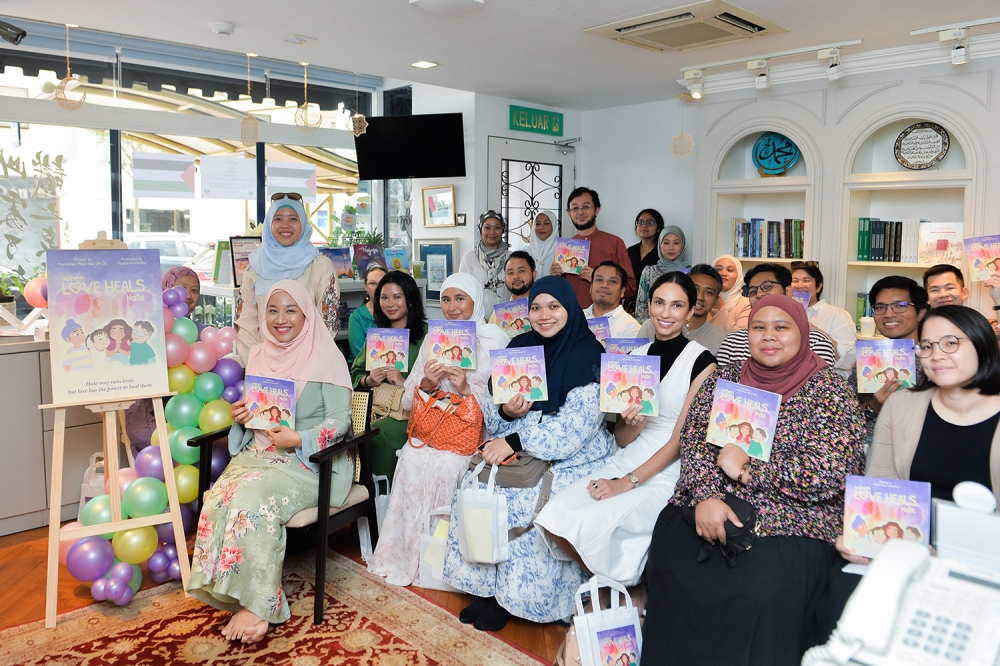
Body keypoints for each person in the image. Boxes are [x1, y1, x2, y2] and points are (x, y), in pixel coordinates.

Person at [642, 294, 866, 665]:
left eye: (781, 327)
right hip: (710, 502)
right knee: (675, 557)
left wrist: (750, 470)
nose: (768, 336)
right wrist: (706, 497)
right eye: (758, 328)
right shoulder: (726, 379)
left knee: (763, 586)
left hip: (791, 516)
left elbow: (831, 471)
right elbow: (695, 440)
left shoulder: (829, 391)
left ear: (803, 332)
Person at [443, 276, 615, 630]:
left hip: (573, 453)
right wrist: (509, 413)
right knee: (473, 481)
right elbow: (492, 412)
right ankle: (486, 588)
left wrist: (516, 440)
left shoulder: (589, 353)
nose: (543, 315)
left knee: (524, 497)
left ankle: (513, 598)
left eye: (554, 306)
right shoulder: (520, 346)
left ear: (569, 309)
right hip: (520, 442)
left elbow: (575, 430)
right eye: (536, 307)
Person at [187, 279, 354, 645]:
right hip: (259, 453)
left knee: (251, 503)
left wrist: (301, 438)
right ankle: (232, 589)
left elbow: (341, 421)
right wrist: (242, 414)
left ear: (306, 313)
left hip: (310, 462)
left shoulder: (327, 356)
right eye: (273, 310)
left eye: (290, 309)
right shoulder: (260, 353)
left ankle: (260, 604)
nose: (281, 319)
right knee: (218, 498)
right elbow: (258, 408)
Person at [536, 272, 716, 594]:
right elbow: (621, 437)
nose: (666, 312)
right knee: (556, 515)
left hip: (668, 468)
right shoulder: (635, 358)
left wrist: (626, 482)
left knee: (599, 521)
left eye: (677, 305)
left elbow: (679, 441)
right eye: (659, 302)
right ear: (649, 306)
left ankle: (625, 594)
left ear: (690, 312)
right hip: (629, 453)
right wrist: (633, 422)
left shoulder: (702, 362)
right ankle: (624, 591)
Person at [367, 273, 509, 587]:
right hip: (433, 431)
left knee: (450, 466)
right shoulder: (435, 339)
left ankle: (446, 566)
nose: (453, 307)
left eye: (460, 299)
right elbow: (407, 400)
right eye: (446, 299)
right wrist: (428, 383)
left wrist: (466, 389)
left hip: (472, 435)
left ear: (476, 301)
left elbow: (504, 405)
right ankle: (405, 558)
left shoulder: (494, 339)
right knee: (411, 459)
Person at [866, 305, 1000, 506]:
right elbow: (880, 487)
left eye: (950, 343)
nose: (936, 355)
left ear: (983, 345)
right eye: (927, 346)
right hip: (908, 535)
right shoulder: (900, 405)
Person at [234, 193, 340, 364]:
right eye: (278, 219)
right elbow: (244, 323)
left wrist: (304, 364)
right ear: (269, 224)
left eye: (292, 219)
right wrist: (257, 362)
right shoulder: (254, 268)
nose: (285, 225)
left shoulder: (320, 266)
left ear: (303, 224)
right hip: (265, 366)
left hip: (308, 365)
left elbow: (328, 321)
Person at [349, 271, 427, 482]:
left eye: (397, 297)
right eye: (384, 297)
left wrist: (405, 382)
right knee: (352, 434)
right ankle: (365, 496)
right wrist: (369, 380)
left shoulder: (427, 336)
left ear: (410, 300)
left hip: (412, 414)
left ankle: (385, 497)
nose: (390, 303)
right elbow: (355, 373)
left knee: (377, 435)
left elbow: (439, 381)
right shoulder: (378, 336)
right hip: (375, 408)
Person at [716, 263, 836, 368]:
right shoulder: (732, 342)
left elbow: (819, 385)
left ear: (789, 291)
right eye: (752, 291)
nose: (759, 294)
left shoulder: (817, 341)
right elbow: (720, 387)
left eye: (767, 287)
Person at [855, 276, 928, 440]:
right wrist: (873, 407)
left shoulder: (934, 358)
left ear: (921, 312)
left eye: (900, 306)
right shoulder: (868, 358)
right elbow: (846, 417)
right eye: (880, 307)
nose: (888, 314)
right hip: (870, 447)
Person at [550, 187, 635, 309]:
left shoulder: (615, 243)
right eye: (574, 208)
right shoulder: (565, 248)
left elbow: (630, 287)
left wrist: (598, 279)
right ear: (569, 213)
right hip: (572, 316)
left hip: (604, 319)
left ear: (597, 210)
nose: (580, 212)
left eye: (586, 206)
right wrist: (555, 277)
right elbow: (559, 291)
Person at [792, 262, 856, 377]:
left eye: (806, 280)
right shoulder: (783, 314)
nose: (799, 285)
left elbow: (850, 359)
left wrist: (817, 332)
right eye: (795, 281)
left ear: (819, 286)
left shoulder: (836, 314)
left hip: (826, 385)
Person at [634, 226, 690, 323]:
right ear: (660, 245)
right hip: (652, 328)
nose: (671, 247)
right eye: (666, 243)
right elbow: (641, 307)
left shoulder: (690, 273)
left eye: (676, 243)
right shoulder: (649, 271)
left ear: (683, 245)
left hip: (681, 327)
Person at [460, 210, 510, 313]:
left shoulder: (511, 257)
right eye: (487, 228)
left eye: (497, 228)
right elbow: (463, 291)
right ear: (480, 230)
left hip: (507, 319)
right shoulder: (469, 258)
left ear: (502, 230)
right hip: (478, 319)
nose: (492, 232)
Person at [583, 261, 641, 338]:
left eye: (612, 281)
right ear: (591, 287)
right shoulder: (575, 318)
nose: (604, 285)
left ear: (622, 291)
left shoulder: (631, 327)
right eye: (599, 280)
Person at [347, 264, 389, 365]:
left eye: (382, 283)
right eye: (372, 283)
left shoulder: (394, 312)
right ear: (366, 287)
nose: (378, 287)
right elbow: (360, 357)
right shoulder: (357, 317)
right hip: (365, 372)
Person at [625, 209, 664, 312]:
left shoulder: (663, 253)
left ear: (658, 228)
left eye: (650, 222)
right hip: (629, 306)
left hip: (652, 306)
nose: (644, 226)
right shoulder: (629, 251)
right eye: (640, 222)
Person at [487, 251, 537, 327]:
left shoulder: (544, 310)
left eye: (521, 271)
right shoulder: (497, 315)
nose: (516, 276)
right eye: (510, 273)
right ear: (505, 278)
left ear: (534, 274)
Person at [709, 254, 751, 334]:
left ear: (739, 276)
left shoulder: (747, 304)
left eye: (730, 270)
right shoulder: (702, 301)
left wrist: (721, 310)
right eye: (718, 269)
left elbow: (741, 338)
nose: (723, 273)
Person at [162, 266, 203, 330]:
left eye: (194, 290)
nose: (188, 296)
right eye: (182, 289)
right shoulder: (151, 329)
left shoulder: (203, 333)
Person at [529, 209, 558, 278]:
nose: (541, 227)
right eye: (538, 224)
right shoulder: (526, 251)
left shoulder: (563, 251)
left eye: (546, 223)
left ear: (554, 226)